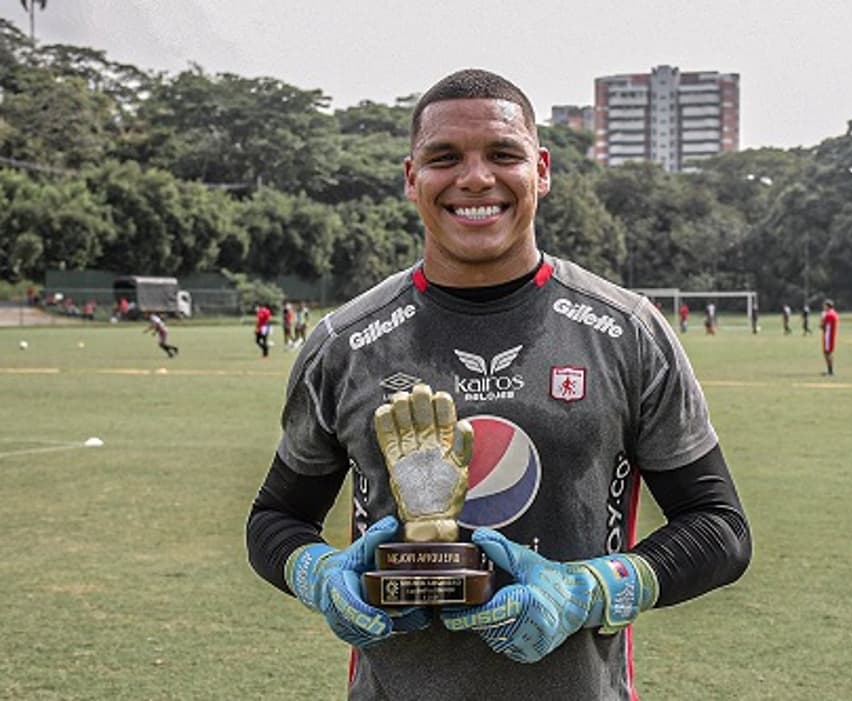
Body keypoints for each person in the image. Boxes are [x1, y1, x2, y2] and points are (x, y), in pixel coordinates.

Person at [245, 68, 751, 701]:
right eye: (444, 158)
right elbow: (274, 519)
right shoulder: (345, 344)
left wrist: (589, 590)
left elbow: (721, 528)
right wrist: (319, 573)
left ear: (541, 169)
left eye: (503, 155)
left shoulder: (626, 332)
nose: (476, 178)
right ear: (411, 178)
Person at [820, 299, 839, 376]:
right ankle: (830, 370)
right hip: (831, 336)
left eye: (824, 305)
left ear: (828, 306)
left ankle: (830, 371)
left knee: (827, 353)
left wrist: (822, 318)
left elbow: (822, 326)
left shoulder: (828, 315)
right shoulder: (834, 313)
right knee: (828, 353)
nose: (823, 307)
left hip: (828, 337)